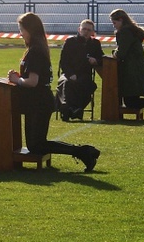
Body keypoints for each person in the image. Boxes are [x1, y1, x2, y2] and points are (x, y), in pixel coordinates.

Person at [7, 13, 101, 172]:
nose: (20, 33)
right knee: (35, 145)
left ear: (30, 29)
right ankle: (84, 152)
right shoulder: (37, 47)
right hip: (37, 102)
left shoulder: (35, 50)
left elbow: (33, 81)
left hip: (39, 102)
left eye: (21, 29)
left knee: (37, 144)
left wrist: (17, 80)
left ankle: (84, 152)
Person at [57, 19, 104, 121]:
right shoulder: (70, 42)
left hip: (85, 75)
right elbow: (63, 62)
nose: (86, 32)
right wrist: (70, 74)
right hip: (68, 73)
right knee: (66, 83)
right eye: (84, 29)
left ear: (92, 32)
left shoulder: (95, 44)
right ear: (79, 29)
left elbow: (102, 59)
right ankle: (70, 108)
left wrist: (96, 60)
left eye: (89, 30)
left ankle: (71, 109)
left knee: (88, 85)